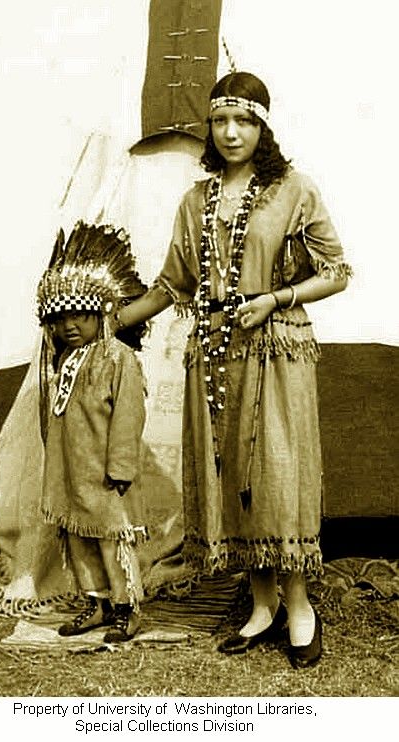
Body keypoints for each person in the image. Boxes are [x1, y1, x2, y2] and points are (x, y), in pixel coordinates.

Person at [111, 71, 352, 667]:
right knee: (231, 475)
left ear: (262, 125)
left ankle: (300, 608)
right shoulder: (196, 202)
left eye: (243, 120)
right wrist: (107, 320)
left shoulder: (293, 189)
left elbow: (338, 269)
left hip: (277, 349)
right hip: (215, 355)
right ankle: (262, 607)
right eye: (219, 120)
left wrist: (277, 298)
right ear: (209, 129)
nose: (230, 132)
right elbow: (173, 283)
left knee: (276, 473)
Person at [36, 220, 149, 642]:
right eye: (60, 318)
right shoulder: (63, 361)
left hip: (106, 478)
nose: (69, 326)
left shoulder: (118, 358)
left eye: (79, 315)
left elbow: (128, 417)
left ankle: (126, 608)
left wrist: (120, 467)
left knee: (110, 541)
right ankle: (96, 603)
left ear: (101, 312)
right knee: (79, 541)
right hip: (70, 476)